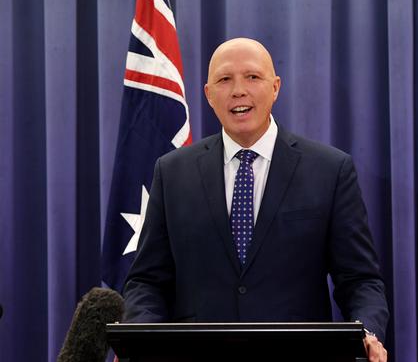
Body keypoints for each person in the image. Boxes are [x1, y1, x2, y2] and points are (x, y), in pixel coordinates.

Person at [122, 37, 389, 361]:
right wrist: (142, 339)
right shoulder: (173, 172)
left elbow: (360, 280)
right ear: (208, 94)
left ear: (275, 87)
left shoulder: (330, 170)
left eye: (252, 77)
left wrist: (367, 334)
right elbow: (147, 281)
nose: (238, 90)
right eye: (224, 79)